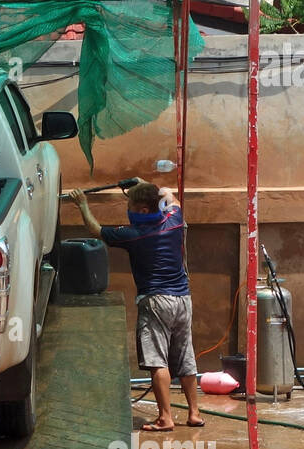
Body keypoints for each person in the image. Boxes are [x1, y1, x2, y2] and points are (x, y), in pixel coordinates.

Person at [69, 181, 204, 432]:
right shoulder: (174, 220)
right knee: (185, 356)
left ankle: (165, 418)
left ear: (142, 210)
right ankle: (194, 413)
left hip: (155, 301)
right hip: (183, 300)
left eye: (130, 205)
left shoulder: (133, 234)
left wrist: (83, 204)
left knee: (157, 361)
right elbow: (170, 196)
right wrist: (143, 183)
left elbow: (96, 230)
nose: (127, 210)